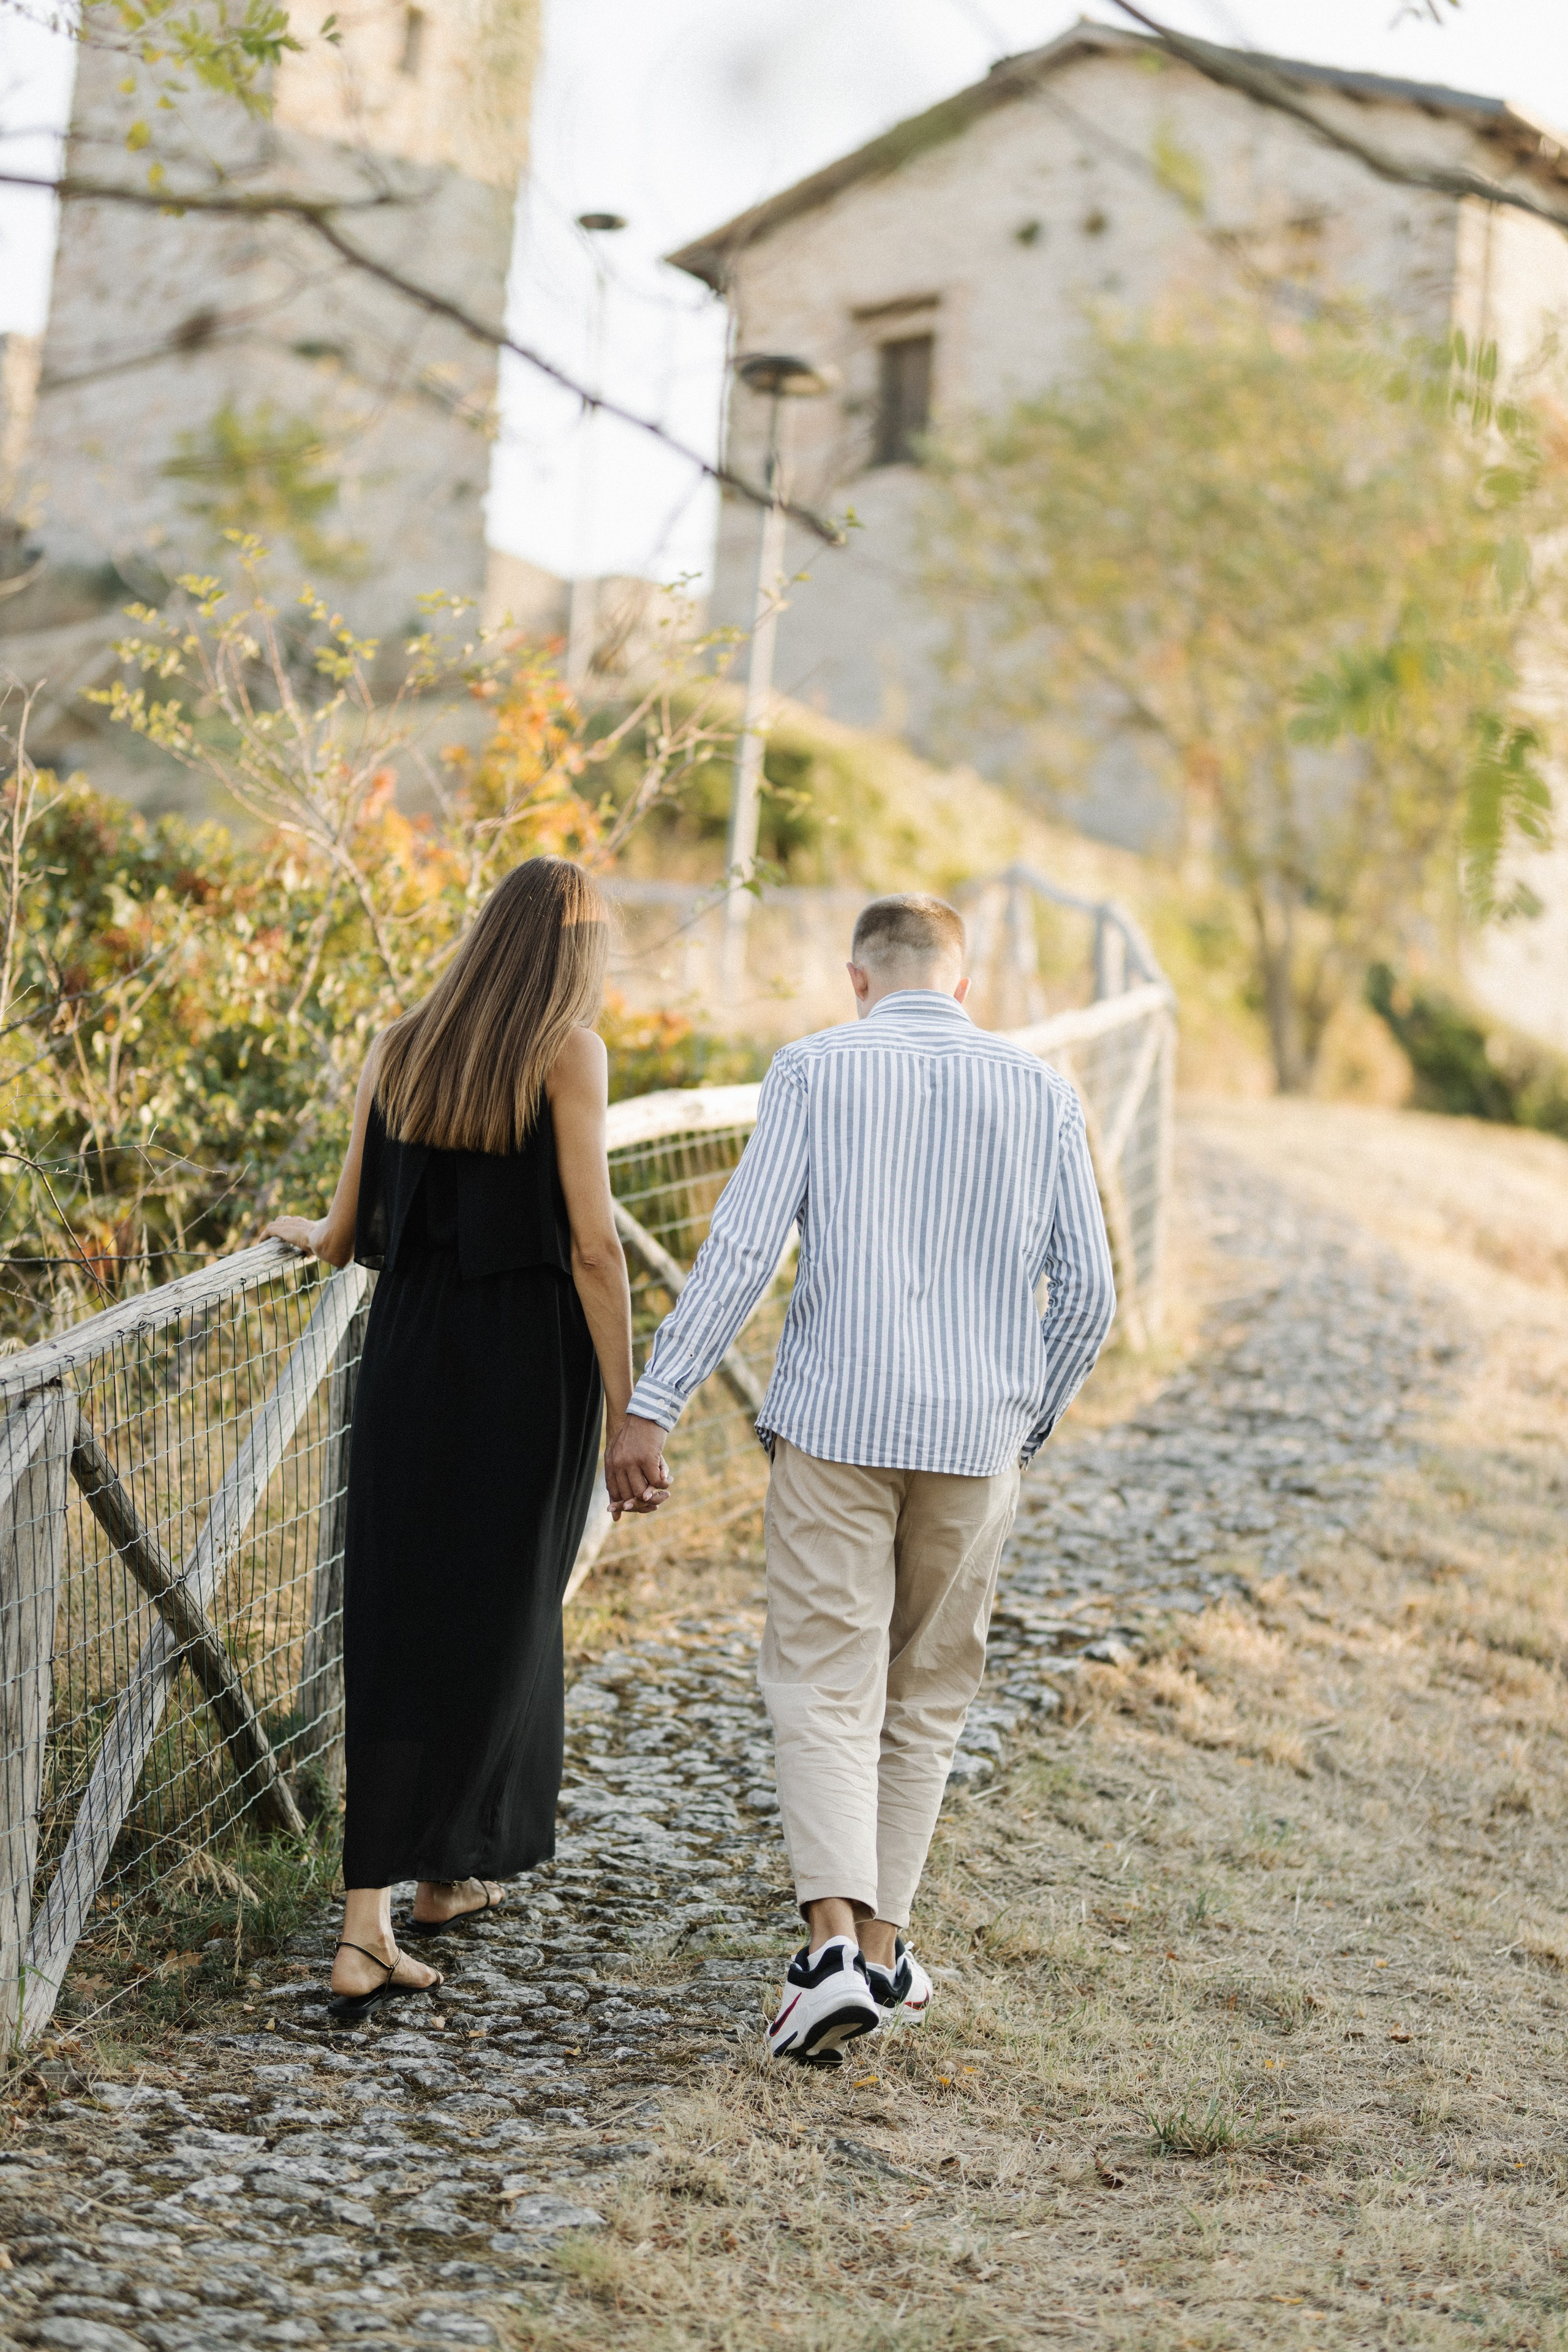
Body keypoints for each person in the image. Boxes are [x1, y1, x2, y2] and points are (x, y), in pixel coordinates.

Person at [605, 892, 1116, 2063]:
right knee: (926, 1693)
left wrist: (654, 1403)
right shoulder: (1042, 1090)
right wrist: (1020, 1424)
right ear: (965, 986)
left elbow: (740, 1250)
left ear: (859, 979)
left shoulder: (812, 1069)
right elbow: (1089, 1298)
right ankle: (884, 1952)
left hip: (837, 1422)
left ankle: (830, 1954)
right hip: (976, 1440)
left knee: (825, 1677)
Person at [267, 858, 665, 2022]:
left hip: (408, 1358)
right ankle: (402, 1904)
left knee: (398, 1610)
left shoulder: (399, 1045)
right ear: (571, 950)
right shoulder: (566, 1051)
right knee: (498, 1616)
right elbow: (595, 1250)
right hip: (525, 1371)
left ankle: (403, 1901)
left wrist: (293, 1230)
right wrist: (628, 1407)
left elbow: (344, 1235)